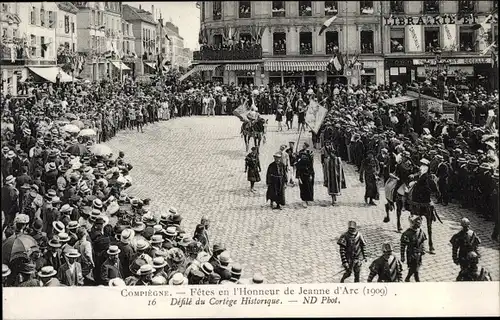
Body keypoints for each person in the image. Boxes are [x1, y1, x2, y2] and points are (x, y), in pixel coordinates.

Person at [400, 215, 427, 282]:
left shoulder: (421, 232)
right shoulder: (407, 234)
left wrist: (423, 249)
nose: (419, 224)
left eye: (419, 223)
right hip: (411, 254)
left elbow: (422, 241)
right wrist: (402, 256)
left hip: (419, 254)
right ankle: (417, 282)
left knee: (414, 268)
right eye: (417, 223)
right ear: (413, 224)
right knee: (415, 270)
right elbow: (402, 246)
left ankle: (407, 278)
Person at [295, 142, 315, 206]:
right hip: (302, 174)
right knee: (303, 187)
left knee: (309, 187)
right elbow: (297, 163)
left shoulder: (310, 153)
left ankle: (308, 199)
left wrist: (311, 174)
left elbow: (311, 165)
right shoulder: (300, 153)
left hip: (308, 173)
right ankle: (304, 200)